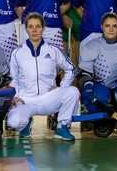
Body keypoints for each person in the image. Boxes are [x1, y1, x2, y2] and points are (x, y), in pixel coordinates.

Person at [6, 13, 79, 141]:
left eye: (38, 26)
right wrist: (16, 96)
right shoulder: (17, 53)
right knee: (13, 122)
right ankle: (25, 123)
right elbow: (14, 78)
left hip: (48, 99)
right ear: (26, 29)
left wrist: (61, 87)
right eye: (31, 27)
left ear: (43, 28)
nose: (34, 30)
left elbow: (71, 68)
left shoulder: (53, 50)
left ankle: (62, 126)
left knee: (72, 91)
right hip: (26, 100)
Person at [78, 12, 117, 140]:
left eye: (114, 26)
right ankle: (106, 120)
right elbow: (83, 74)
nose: (111, 29)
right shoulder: (92, 46)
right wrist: (88, 86)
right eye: (107, 26)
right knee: (92, 97)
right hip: (102, 89)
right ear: (102, 27)